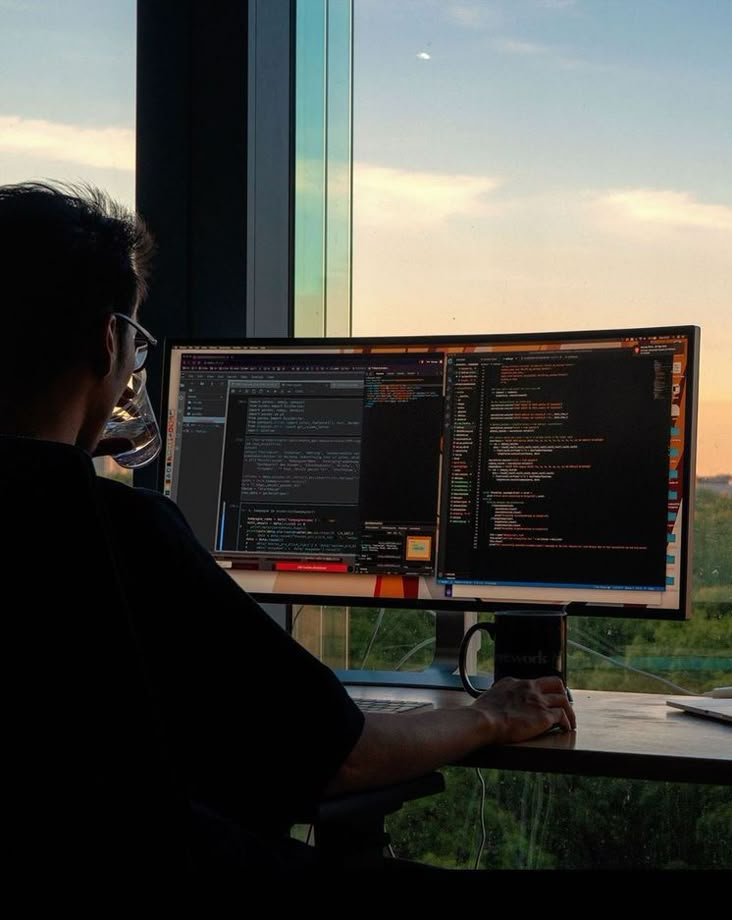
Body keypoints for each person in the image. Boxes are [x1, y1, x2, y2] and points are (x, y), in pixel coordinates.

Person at [0, 181, 575, 874]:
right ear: (108, 341)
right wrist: (493, 716)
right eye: (138, 342)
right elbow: (345, 758)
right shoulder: (112, 531)